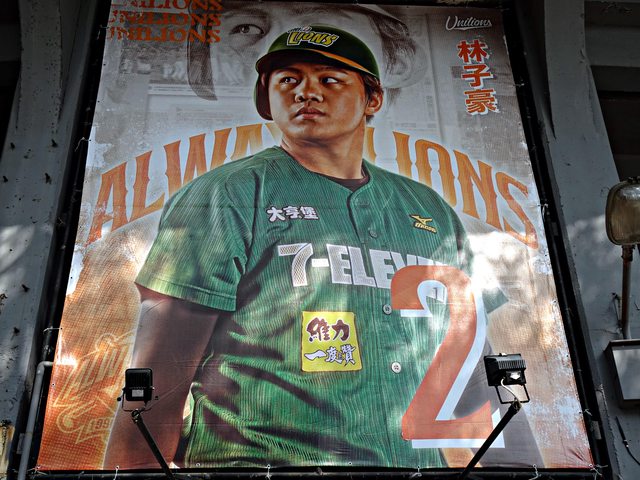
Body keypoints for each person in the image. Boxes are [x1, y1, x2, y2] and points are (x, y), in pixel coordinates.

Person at [105, 25, 536, 469]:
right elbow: (161, 373)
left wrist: (520, 468)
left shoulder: (426, 207)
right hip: (258, 466)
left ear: (373, 99)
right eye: (288, 79)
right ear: (266, 97)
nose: (306, 92)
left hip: (412, 468)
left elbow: (472, 359)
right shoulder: (226, 194)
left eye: (329, 79)